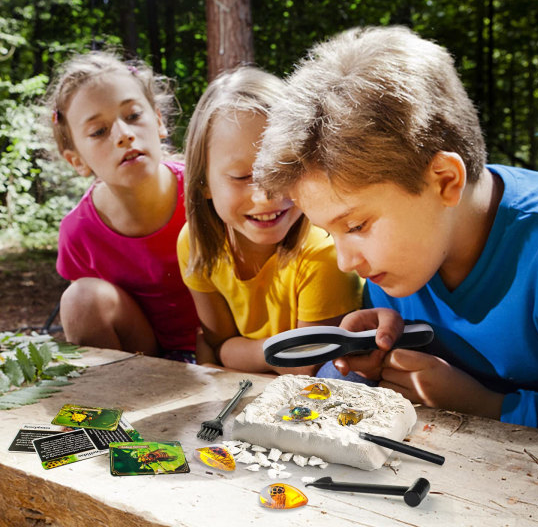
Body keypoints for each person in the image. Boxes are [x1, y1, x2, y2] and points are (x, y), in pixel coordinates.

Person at [253, 25, 538, 438]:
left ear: (445, 180)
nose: (347, 261)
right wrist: (385, 352)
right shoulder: (407, 251)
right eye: (330, 233)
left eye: (357, 226)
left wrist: (493, 407)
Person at [177, 66, 362, 375]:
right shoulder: (196, 242)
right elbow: (217, 340)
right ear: (203, 183)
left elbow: (304, 366)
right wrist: (234, 352)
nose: (265, 196)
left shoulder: (325, 250)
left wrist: (235, 353)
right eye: (241, 176)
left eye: (282, 166)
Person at [48, 51, 200, 361]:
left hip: (226, 347)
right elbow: (92, 315)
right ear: (76, 160)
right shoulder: (79, 232)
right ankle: (117, 402)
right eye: (99, 131)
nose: (124, 135)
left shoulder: (204, 189)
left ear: (158, 121)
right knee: (80, 300)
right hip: (144, 357)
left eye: (132, 116)